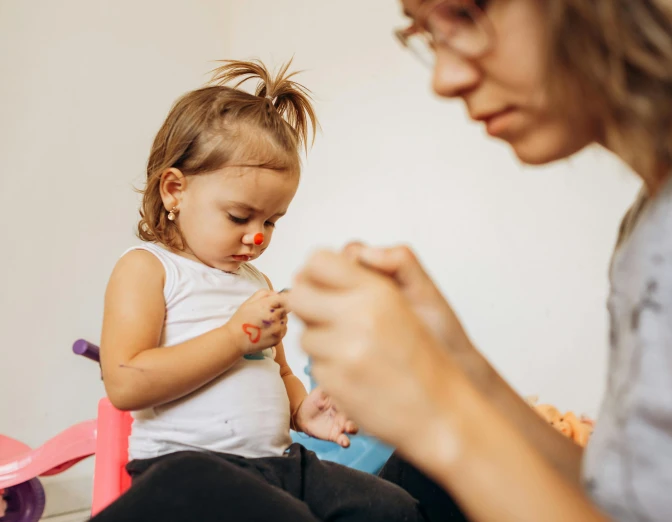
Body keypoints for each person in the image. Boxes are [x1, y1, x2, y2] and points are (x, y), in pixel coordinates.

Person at [286, 0, 672, 521]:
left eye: (465, 12)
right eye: (427, 33)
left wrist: (443, 414)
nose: (444, 78)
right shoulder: (657, 215)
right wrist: (462, 366)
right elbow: (625, 504)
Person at [91, 59, 423, 522]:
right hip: (188, 471)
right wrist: (233, 338)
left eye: (271, 221)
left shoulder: (257, 284)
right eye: (239, 216)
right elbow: (126, 382)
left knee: (395, 509)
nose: (258, 236)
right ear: (174, 191)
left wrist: (302, 409)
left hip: (280, 464)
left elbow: (277, 370)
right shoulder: (148, 269)